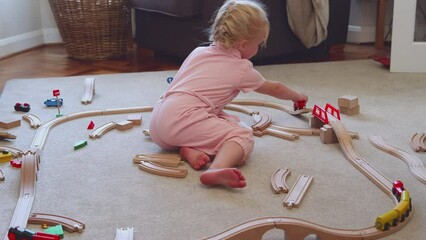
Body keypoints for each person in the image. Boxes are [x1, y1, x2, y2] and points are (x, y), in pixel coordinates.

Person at [149, 0, 308, 188]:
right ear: (242, 45)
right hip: (181, 120)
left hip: (158, 123)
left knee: (227, 118)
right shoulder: (240, 68)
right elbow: (275, 88)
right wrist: (297, 96)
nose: (258, 49)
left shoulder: (198, 52)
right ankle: (216, 169)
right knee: (242, 135)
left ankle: (188, 149)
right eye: (258, 44)